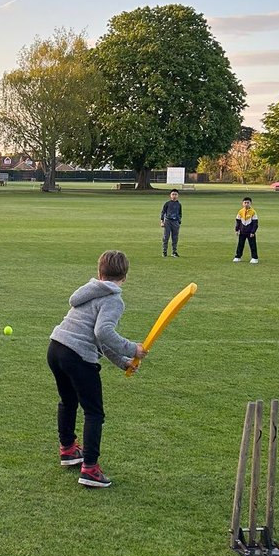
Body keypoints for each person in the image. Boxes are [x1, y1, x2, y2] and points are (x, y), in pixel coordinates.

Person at [47, 250, 147, 488]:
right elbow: (103, 332)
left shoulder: (88, 292)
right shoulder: (113, 299)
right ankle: (90, 469)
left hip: (56, 348)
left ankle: (68, 449)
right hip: (77, 356)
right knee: (94, 412)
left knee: (68, 401)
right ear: (125, 277)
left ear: (99, 273)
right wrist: (133, 349)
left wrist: (122, 361)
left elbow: (98, 338)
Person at [232, 196, 259, 263]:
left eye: (248, 203)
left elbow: (255, 223)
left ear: (250, 203)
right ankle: (238, 256)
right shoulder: (240, 211)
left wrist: (253, 232)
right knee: (240, 244)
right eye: (245, 203)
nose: (246, 204)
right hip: (242, 231)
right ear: (242, 203)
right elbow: (238, 221)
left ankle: (254, 258)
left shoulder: (253, 212)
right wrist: (237, 230)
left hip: (250, 232)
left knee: (252, 245)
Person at [160, 189, 182, 257]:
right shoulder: (167, 203)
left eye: (175, 194)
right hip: (168, 222)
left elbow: (180, 213)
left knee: (175, 237)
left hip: (175, 222)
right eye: (173, 194)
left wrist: (179, 221)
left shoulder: (179, 204)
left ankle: (174, 252)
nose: (174, 196)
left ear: (178, 195)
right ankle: (164, 251)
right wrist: (162, 221)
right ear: (170, 195)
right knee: (166, 237)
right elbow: (163, 212)